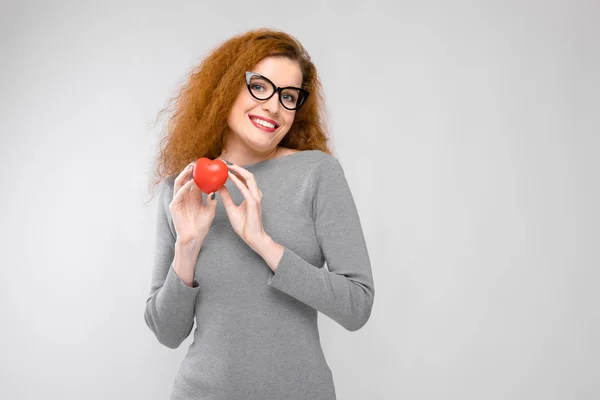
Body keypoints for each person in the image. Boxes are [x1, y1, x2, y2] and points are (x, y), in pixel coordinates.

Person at [144, 28, 375, 400]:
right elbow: (167, 333)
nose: (273, 107)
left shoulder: (317, 173)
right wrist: (187, 246)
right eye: (260, 86)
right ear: (227, 88)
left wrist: (263, 243)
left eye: (288, 96)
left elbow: (357, 306)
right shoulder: (183, 187)